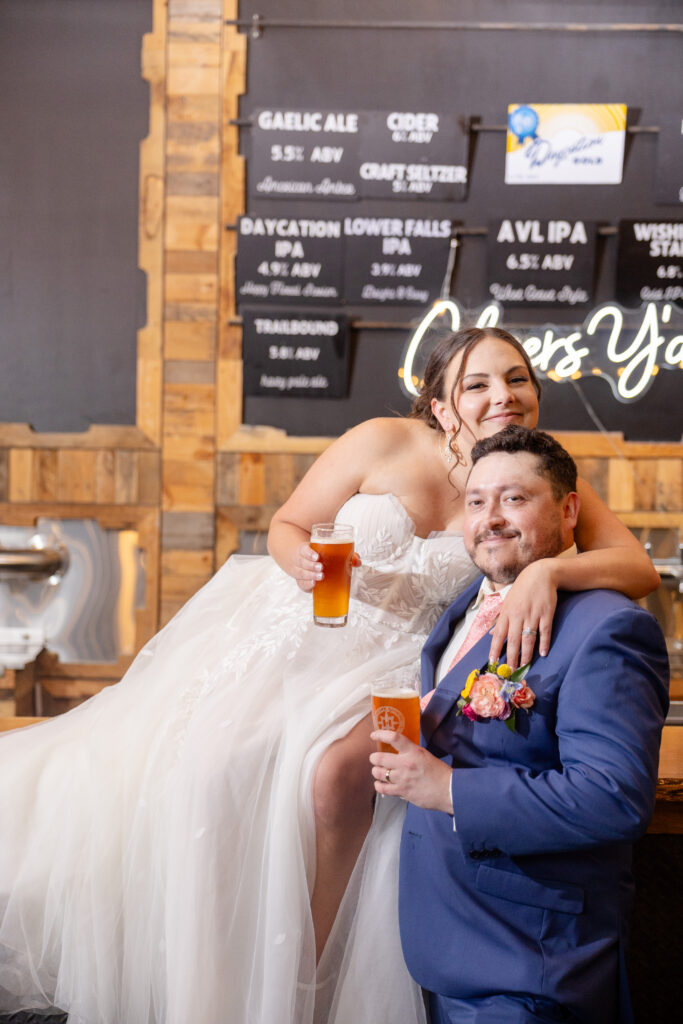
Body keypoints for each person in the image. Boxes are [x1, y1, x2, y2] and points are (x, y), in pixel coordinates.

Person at [0, 329, 658, 1024]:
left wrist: (552, 570)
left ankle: (302, 980)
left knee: (337, 773)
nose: (503, 395)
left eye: (517, 379)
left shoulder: (537, 472)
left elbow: (636, 567)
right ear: (437, 406)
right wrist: (301, 562)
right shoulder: (380, 440)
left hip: (413, 657)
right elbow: (289, 524)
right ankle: (207, 956)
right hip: (310, 629)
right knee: (212, 768)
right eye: (477, 383)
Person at [371, 426, 669, 1024]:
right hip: (443, 950)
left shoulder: (608, 628)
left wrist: (447, 788)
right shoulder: (464, 606)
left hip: (528, 970)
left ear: (568, 509)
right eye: (477, 502)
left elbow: (612, 798)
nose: (491, 518)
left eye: (515, 498)